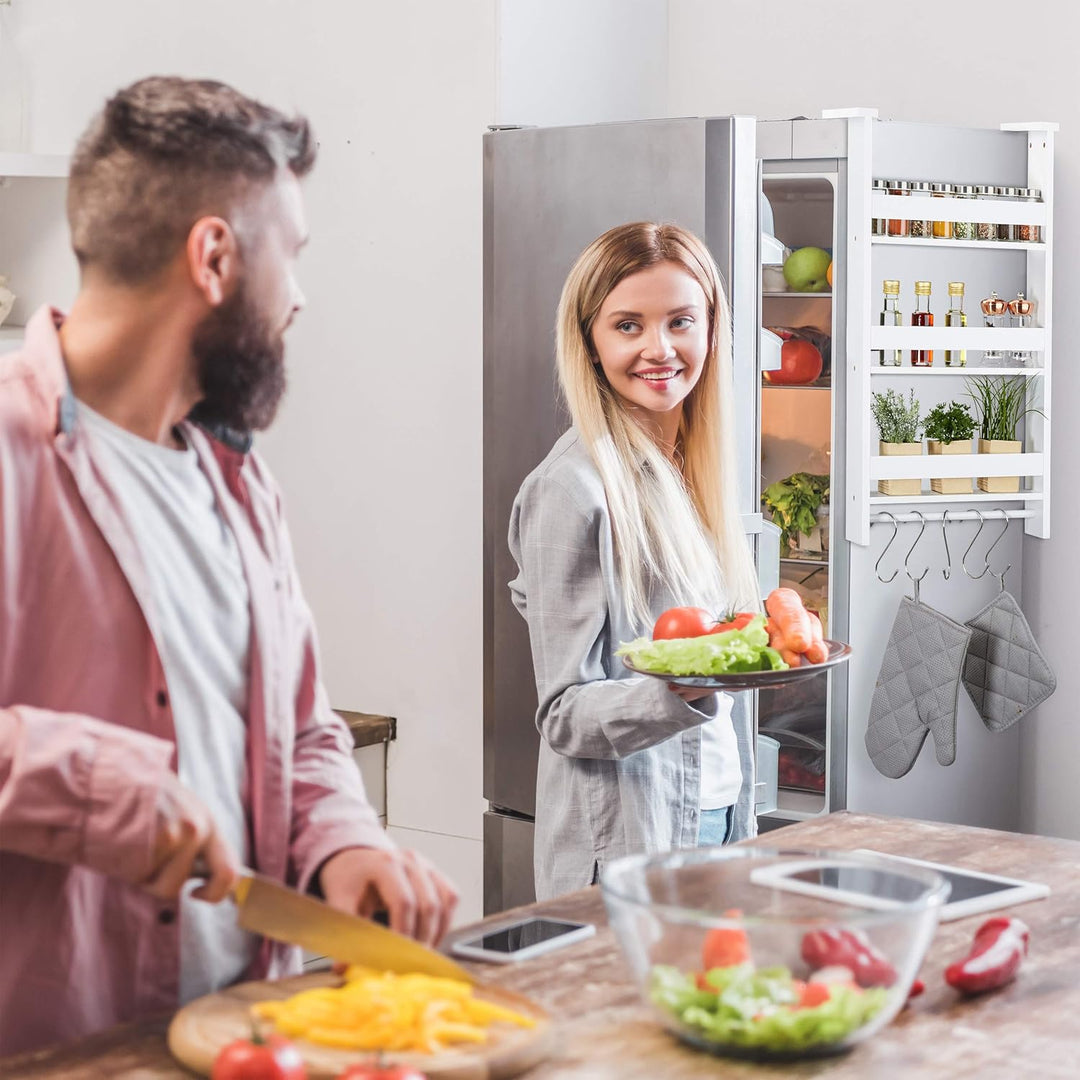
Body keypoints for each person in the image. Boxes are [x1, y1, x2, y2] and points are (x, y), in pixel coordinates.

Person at [0, 76, 457, 1055]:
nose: (299, 296)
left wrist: (345, 840)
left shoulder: (236, 482)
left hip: (245, 1040)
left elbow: (299, 726)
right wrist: (97, 789)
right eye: (289, 257)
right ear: (213, 256)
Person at [508, 222, 760, 901]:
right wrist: (683, 689)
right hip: (626, 847)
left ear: (711, 328)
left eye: (681, 321)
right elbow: (563, 712)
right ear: (590, 342)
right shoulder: (572, 488)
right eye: (628, 326)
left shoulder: (695, 471)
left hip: (720, 819)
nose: (660, 349)